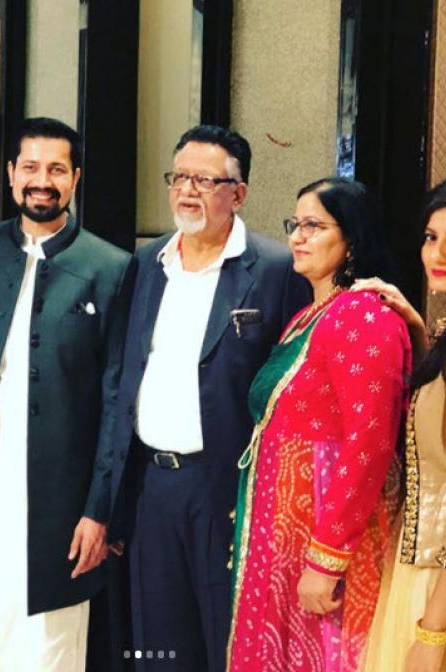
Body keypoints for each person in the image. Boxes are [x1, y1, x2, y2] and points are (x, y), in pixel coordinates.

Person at [107, 124, 310, 671]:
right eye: (179, 178)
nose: (186, 191)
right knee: (159, 644)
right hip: (152, 487)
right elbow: (122, 380)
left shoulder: (274, 268)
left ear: (238, 194)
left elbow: (294, 385)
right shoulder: (148, 263)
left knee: (229, 639)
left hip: (227, 487)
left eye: (204, 180)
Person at [0, 117, 133, 672]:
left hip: (61, 489)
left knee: (46, 635)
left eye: (56, 169)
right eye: (30, 167)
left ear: (75, 179)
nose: (42, 181)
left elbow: (117, 398)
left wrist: (99, 511)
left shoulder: (110, 266)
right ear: (11, 174)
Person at [227, 177, 412, 671]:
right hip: (287, 530)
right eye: (295, 224)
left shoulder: (361, 315)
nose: (297, 237)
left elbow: (369, 444)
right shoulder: (310, 315)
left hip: (325, 537)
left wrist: (326, 559)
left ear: (351, 238)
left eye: (314, 225)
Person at [356, 176, 446, 672]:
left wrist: (433, 631)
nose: (438, 254)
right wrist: (418, 330)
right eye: (432, 237)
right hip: (434, 565)